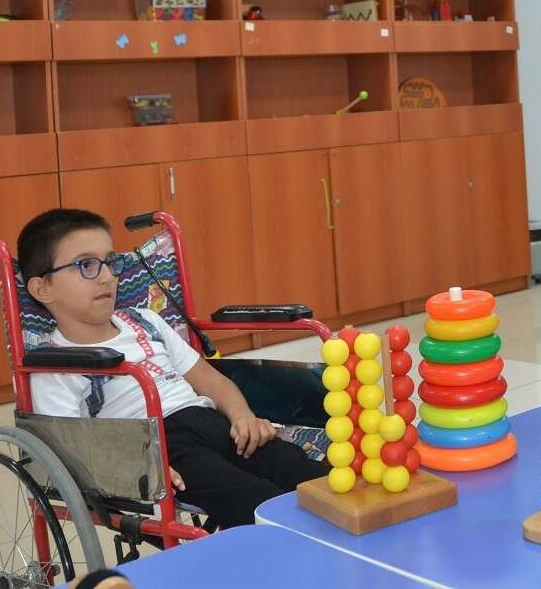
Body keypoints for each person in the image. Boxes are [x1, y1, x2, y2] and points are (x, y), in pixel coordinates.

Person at [17, 208, 327, 529]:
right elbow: (71, 448)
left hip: (215, 423)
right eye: (86, 265)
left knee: (308, 476)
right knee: (257, 502)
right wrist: (138, 469)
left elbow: (211, 381)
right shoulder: (52, 365)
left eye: (110, 262)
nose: (107, 276)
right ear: (42, 289)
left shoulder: (145, 320)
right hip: (160, 450)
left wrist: (243, 416)